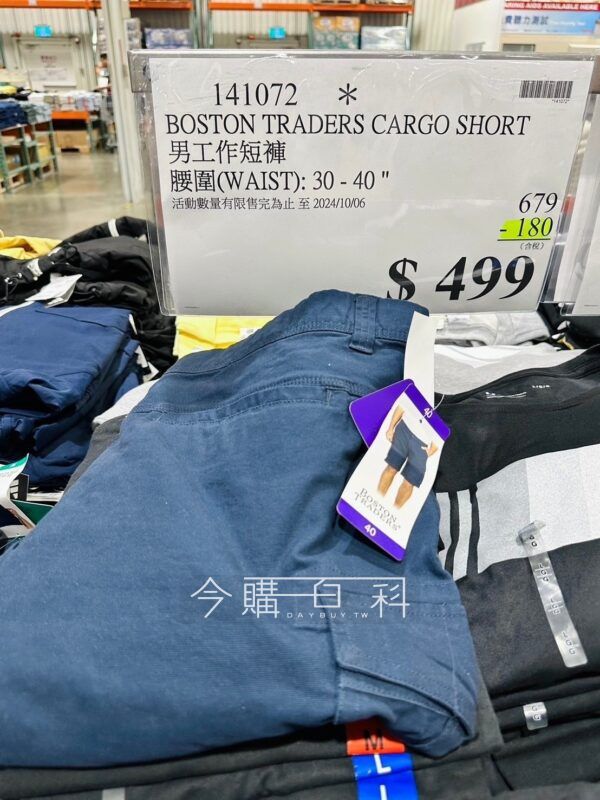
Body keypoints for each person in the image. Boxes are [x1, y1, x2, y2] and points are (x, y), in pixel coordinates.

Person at [378, 405, 437, 509]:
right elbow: (404, 404)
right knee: (391, 468)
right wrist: (390, 428)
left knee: (409, 482)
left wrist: (432, 449)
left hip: (423, 443)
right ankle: (377, 500)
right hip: (405, 428)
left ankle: (395, 510)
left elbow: (447, 424)